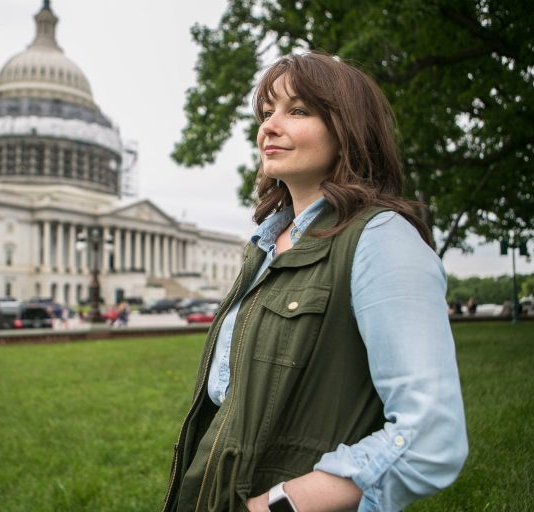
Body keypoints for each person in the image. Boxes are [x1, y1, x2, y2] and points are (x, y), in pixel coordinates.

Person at [162, 52, 467, 512]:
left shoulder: (381, 239)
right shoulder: (263, 247)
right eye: (266, 113)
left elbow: (429, 440)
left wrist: (272, 507)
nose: (269, 126)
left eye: (298, 111)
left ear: (348, 129)